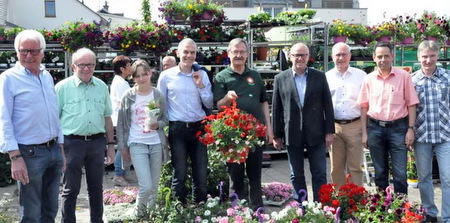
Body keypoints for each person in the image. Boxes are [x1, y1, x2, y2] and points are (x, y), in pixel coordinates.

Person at [0, 29, 64, 223]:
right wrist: (15, 156)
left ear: (42, 53)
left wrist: (60, 148)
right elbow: (3, 119)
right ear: (17, 52)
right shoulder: (8, 79)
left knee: (50, 209)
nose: (28, 55)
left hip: (53, 151)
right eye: (23, 50)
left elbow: (54, 114)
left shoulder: (46, 76)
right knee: (31, 214)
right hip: (29, 154)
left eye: (34, 51)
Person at [56, 47, 115, 223]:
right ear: (73, 66)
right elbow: (54, 121)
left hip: (97, 143)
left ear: (95, 65)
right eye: (82, 65)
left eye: (90, 64)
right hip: (71, 144)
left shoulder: (102, 86)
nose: (86, 68)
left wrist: (111, 146)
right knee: (70, 189)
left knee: (96, 189)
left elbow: (107, 117)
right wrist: (59, 150)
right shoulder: (62, 88)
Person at [214, 38, 273, 211]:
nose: (238, 55)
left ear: (247, 54)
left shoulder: (254, 75)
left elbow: (263, 102)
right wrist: (227, 98)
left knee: (255, 174)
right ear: (229, 54)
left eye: (242, 52)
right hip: (234, 136)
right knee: (236, 175)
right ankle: (236, 210)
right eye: (235, 51)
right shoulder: (221, 77)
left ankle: (257, 210)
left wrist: (268, 127)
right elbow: (218, 105)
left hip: (256, 133)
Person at [272, 42, 334, 202]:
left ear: (308, 57)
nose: (300, 58)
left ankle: (320, 206)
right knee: (296, 174)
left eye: (303, 55)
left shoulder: (319, 76)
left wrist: (329, 131)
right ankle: (301, 206)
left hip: (317, 132)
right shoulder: (280, 78)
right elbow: (277, 108)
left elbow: (328, 105)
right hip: (292, 132)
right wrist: (276, 135)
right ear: (290, 57)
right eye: (296, 55)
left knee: (319, 173)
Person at [357, 41, 419, 194]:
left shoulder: (404, 76)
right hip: (375, 129)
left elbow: (412, 104)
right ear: (374, 58)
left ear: (392, 57)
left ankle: (400, 210)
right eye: (379, 56)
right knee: (380, 173)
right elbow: (364, 107)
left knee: (400, 174)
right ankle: (383, 209)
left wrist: (410, 129)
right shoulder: (368, 79)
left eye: (386, 56)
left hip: (398, 129)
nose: (383, 59)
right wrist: (364, 133)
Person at [157, 38, 213, 203]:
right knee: (179, 174)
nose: (189, 55)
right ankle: (178, 211)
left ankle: (201, 210)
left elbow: (209, 103)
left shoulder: (202, 74)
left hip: (199, 129)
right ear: (178, 53)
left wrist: (200, 85)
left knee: (201, 173)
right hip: (178, 130)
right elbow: (160, 105)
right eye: (186, 52)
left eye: (192, 52)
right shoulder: (166, 76)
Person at [116, 59, 169, 216]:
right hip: (137, 143)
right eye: (137, 76)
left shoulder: (158, 95)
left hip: (156, 144)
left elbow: (166, 118)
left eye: (144, 74)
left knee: (154, 187)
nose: (141, 79)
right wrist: (122, 146)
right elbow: (121, 124)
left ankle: (150, 216)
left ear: (150, 74)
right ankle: (138, 214)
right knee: (145, 186)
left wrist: (158, 124)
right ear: (133, 78)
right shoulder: (128, 96)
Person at [411, 40, 450, 223]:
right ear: (419, 57)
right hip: (422, 135)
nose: (428, 60)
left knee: (447, 178)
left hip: (445, 135)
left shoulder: (447, 77)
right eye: (424, 56)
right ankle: (430, 213)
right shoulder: (412, 80)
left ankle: (448, 216)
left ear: (437, 56)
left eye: (432, 56)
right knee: (424, 177)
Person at [325, 42, 366, 187]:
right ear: (332, 57)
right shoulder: (326, 77)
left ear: (350, 56)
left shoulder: (361, 76)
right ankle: (340, 201)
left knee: (355, 167)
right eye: (338, 54)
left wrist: (365, 130)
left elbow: (365, 104)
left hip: (355, 125)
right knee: (336, 168)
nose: (341, 58)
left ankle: (357, 200)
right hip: (334, 127)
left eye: (344, 54)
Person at [110, 55, 135, 187]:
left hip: (120, 120)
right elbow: (123, 103)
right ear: (122, 68)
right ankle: (119, 175)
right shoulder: (121, 83)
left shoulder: (119, 81)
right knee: (122, 147)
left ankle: (121, 173)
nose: (131, 67)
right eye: (129, 65)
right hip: (122, 120)